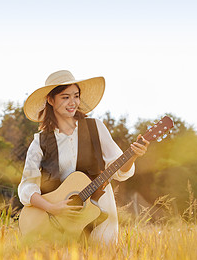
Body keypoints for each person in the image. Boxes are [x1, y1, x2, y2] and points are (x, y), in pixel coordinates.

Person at [18, 70, 149, 244]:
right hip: (62, 221)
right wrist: (52, 208)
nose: (73, 103)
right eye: (65, 97)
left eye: (76, 96)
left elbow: (120, 171)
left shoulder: (96, 127)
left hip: (100, 209)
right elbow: (26, 187)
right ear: (51, 100)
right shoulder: (40, 142)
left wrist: (133, 156)